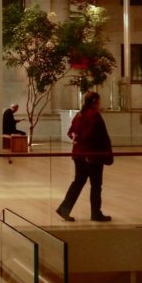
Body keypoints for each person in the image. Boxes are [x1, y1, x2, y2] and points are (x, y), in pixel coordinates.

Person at [56, 91, 113, 223]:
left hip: (78, 154)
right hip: (92, 156)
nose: (100, 104)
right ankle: (96, 213)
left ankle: (64, 208)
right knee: (96, 185)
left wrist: (76, 137)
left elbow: (70, 132)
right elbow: (92, 135)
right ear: (94, 102)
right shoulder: (94, 116)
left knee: (78, 182)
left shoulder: (79, 115)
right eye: (99, 101)